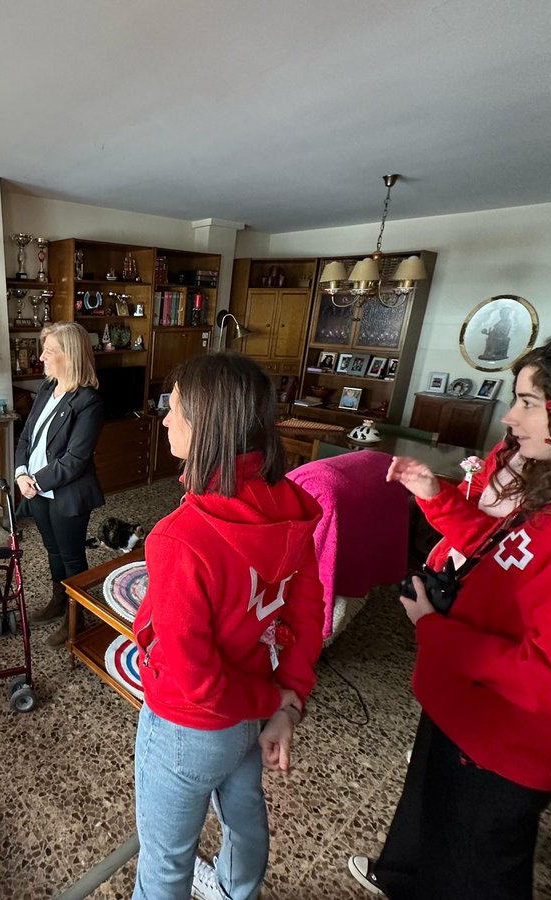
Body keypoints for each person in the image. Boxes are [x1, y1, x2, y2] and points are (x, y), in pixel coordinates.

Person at [349, 330, 551, 900]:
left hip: (502, 744)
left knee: (475, 872)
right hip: (469, 707)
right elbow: (494, 546)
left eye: (526, 402)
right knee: (440, 838)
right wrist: (433, 495)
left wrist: (435, 630)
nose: (510, 419)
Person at [131, 353, 324, 900]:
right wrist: (284, 700)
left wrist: (269, 698)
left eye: (174, 409)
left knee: (164, 863)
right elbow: (307, 614)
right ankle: (237, 891)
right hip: (252, 707)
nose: (164, 419)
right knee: (244, 821)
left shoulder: (177, 537)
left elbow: (194, 677)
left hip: (189, 724)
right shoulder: (292, 505)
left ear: (207, 423)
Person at [14, 322, 104, 646]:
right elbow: (26, 437)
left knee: (72, 555)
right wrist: (21, 473)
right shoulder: (45, 389)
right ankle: (59, 600)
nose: (42, 357)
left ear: (71, 355)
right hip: (36, 489)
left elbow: (75, 461)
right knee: (53, 551)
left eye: (50, 351)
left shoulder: (88, 402)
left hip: (65, 493)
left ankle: (77, 617)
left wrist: (34, 481)